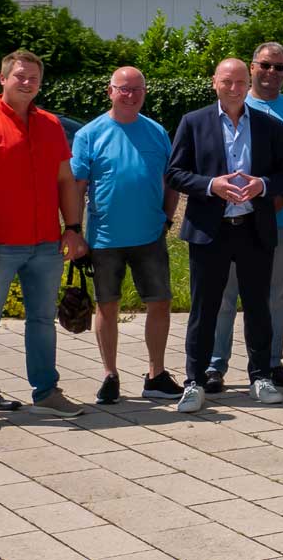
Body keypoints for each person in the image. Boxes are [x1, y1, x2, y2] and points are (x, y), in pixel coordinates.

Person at [0, 50, 87, 431]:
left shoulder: (50, 126)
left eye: (33, 78)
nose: (26, 83)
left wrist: (73, 228)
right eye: (19, 76)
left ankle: (46, 393)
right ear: (3, 79)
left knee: (42, 321)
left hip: (45, 244)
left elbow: (64, 180)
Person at [168, 58, 283, 413]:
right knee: (204, 308)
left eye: (241, 82)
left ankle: (261, 376)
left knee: (259, 306)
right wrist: (212, 185)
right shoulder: (193, 122)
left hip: (254, 228)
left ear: (249, 81)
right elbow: (175, 173)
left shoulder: (271, 126)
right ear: (215, 82)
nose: (235, 88)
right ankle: (194, 381)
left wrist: (263, 185)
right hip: (211, 230)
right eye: (228, 82)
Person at [73, 66, 181, 405]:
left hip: (150, 235)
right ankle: (110, 375)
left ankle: (156, 375)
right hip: (105, 238)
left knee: (160, 303)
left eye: (137, 89)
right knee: (107, 306)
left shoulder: (157, 132)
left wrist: (167, 219)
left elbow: (170, 180)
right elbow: (77, 187)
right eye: (124, 89)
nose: (131, 95)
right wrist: (74, 230)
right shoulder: (89, 134)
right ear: (110, 91)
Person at [214, 43, 283, 390]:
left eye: (279, 67)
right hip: (227, 220)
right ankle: (215, 365)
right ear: (252, 67)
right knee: (225, 294)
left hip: (275, 218)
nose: (272, 73)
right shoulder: (233, 102)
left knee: (274, 295)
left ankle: (271, 363)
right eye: (266, 66)